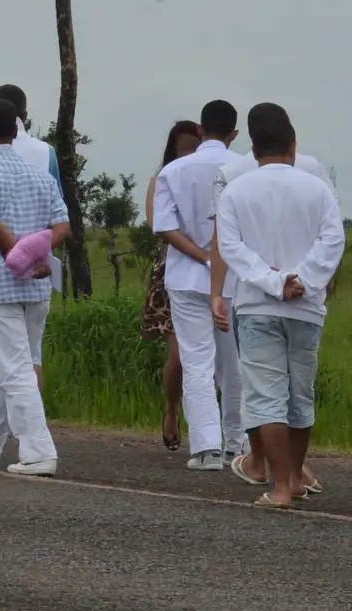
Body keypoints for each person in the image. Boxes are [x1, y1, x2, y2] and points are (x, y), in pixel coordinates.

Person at [215, 105, 345, 508]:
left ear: (253, 148)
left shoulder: (236, 190)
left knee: (265, 396)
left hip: (257, 305)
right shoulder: (317, 188)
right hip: (306, 307)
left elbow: (230, 247)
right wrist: (302, 279)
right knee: (299, 396)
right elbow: (333, 240)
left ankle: (281, 487)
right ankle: (295, 477)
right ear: (293, 145)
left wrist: (274, 282)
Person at [0, 98, 69, 476]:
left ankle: (38, 451)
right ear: (17, 130)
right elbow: (62, 226)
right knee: (12, 366)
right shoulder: (40, 176)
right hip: (37, 287)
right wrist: (39, 255)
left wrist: (19, 256)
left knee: (15, 368)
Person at [152, 100, 244, 471]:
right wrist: (219, 259)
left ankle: (206, 447)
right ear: (235, 134)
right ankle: (237, 444)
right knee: (234, 363)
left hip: (186, 278)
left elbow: (164, 227)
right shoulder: (243, 169)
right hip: (235, 279)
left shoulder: (173, 171)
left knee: (196, 361)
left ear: (201, 131)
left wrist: (203, 257)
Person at [142, 120, 201, 452]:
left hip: (215, 271)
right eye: (184, 149)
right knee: (179, 357)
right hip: (173, 272)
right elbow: (157, 224)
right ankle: (172, 410)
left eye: (196, 147)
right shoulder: (162, 180)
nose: (190, 155)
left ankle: (210, 429)